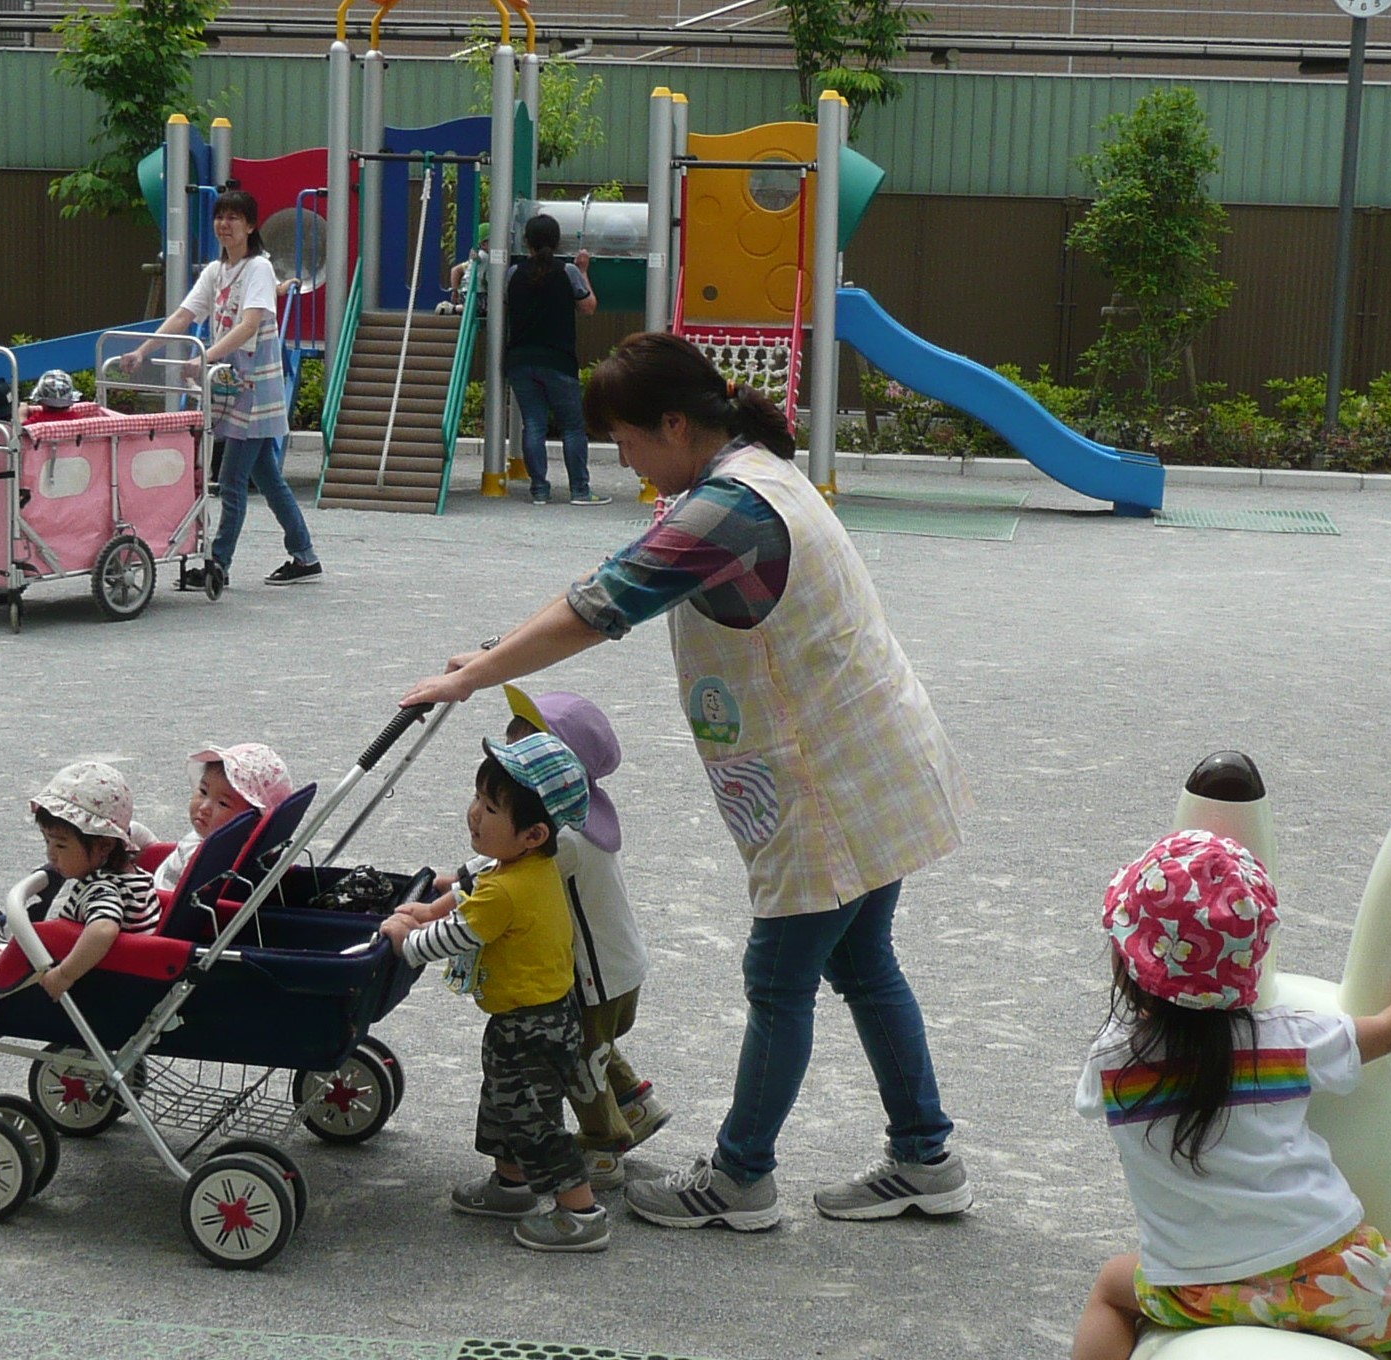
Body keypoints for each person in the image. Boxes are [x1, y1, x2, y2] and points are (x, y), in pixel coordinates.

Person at [401, 331, 975, 1233]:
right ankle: (925, 1157)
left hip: (824, 779)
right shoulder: (761, 473)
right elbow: (606, 583)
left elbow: (601, 604)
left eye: (629, 442)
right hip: (875, 759)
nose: (625, 461)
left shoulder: (731, 508)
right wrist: (490, 655)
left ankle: (741, 1178)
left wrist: (469, 678)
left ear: (674, 423)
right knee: (864, 964)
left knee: (778, 981)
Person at [1072, 830, 1391, 1360]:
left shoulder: (1111, 1065)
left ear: (1128, 960)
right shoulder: (1289, 1040)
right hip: (1335, 1272)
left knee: (1110, 1289)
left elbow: (1092, 1102)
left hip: (1196, 1288)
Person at [379, 733, 610, 1253]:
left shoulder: (510, 888)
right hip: (529, 1019)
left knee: (533, 1121)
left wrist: (407, 940)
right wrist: (432, 906)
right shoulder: (523, 866)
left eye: (490, 808)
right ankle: (512, 1185)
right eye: (477, 799)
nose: (474, 815)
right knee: (504, 1105)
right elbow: (471, 891)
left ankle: (582, 1213)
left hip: (533, 1026)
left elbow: (463, 932)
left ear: (532, 833)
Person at [436, 684, 668, 1189]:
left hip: (595, 976)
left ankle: (603, 1148)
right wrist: (458, 878)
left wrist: (451, 895)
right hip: (617, 966)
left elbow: (506, 884)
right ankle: (636, 1103)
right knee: (591, 1044)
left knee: (578, 1055)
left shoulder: (565, 840)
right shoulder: (572, 821)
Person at [122, 186, 321, 588]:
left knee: (231, 480)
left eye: (234, 218)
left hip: (253, 387)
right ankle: (304, 556)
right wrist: (143, 351)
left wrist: (205, 357)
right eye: (220, 217)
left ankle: (218, 564)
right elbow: (183, 314)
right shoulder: (215, 272)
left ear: (250, 226)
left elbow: (249, 324)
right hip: (229, 385)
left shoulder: (259, 269)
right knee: (266, 476)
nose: (224, 225)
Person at [0, 762, 161, 1021]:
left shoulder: (103, 889)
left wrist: (64, 975)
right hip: (125, 977)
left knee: (29, 988)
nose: (50, 853)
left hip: (93, 983)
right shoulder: (134, 877)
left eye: (61, 845)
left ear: (104, 846)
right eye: (47, 841)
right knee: (49, 939)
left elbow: (103, 929)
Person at [505, 214, 607, 507]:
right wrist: (584, 270)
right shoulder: (568, 272)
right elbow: (588, 307)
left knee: (533, 424)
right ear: (557, 240)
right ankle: (579, 491)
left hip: (521, 360)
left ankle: (539, 490)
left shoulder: (514, 273)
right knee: (572, 426)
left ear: (527, 242)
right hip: (558, 360)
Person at [150, 742, 296, 894]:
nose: (204, 807)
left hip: (156, 908)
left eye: (223, 803)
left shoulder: (207, 858)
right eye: (203, 791)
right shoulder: (238, 847)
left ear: (254, 822)